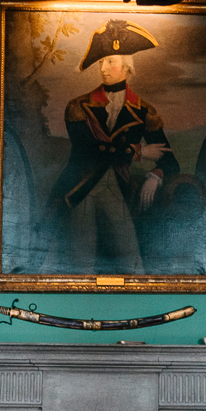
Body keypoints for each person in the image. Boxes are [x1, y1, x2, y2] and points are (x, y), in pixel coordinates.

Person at [44, 19, 178, 274]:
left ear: (127, 67)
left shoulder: (144, 110)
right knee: (80, 264)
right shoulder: (78, 106)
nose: (103, 68)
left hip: (117, 190)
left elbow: (169, 159)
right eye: (102, 61)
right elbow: (89, 150)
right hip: (81, 188)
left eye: (110, 62)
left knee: (131, 262)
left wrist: (156, 175)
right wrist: (136, 152)